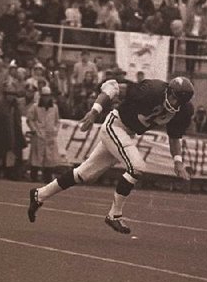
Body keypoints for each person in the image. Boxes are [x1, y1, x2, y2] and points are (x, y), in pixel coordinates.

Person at [28, 77, 194, 234]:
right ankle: (114, 214)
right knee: (137, 166)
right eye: (173, 97)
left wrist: (178, 162)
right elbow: (112, 86)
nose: (174, 103)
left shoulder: (184, 111)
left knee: (83, 174)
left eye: (179, 101)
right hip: (115, 125)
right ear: (168, 90)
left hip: (127, 134)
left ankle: (39, 194)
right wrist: (95, 111)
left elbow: (175, 137)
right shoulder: (151, 90)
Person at [26, 86, 61, 183]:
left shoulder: (54, 107)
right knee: (36, 156)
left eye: (48, 96)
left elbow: (57, 121)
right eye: (44, 96)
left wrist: (55, 130)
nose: (46, 98)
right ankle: (34, 176)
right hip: (39, 134)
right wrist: (34, 130)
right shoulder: (35, 107)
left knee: (49, 157)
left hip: (50, 135)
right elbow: (30, 119)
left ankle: (47, 177)